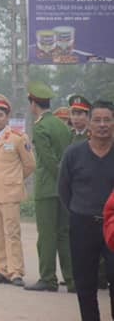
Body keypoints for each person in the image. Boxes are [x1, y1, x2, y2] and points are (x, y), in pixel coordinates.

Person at [59, 100, 114, 321]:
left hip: (113, 227)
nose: (103, 125)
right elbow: (64, 190)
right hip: (82, 225)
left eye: (107, 120)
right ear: (89, 124)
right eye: (97, 120)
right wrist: (80, 210)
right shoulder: (74, 154)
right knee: (85, 283)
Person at [0, 93, 36, 287]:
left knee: (12, 233)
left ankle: (16, 271)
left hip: (10, 194)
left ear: (7, 116)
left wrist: (15, 181)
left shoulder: (19, 138)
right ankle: (3, 270)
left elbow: (29, 165)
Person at [24, 81, 75, 293]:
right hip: (65, 191)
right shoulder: (63, 126)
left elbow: (47, 160)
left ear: (33, 103)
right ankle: (73, 280)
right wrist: (67, 184)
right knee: (64, 234)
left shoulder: (40, 127)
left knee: (46, 235)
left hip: (47, 190)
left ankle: (48, 278)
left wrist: (60, 179)